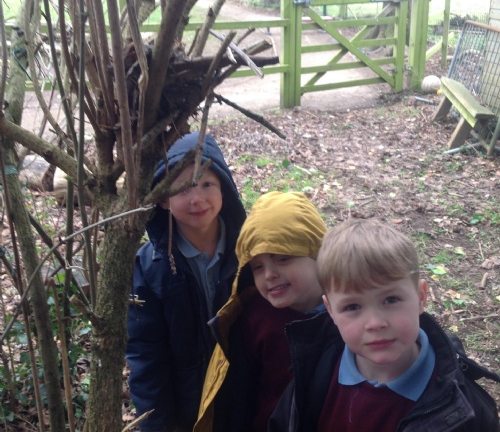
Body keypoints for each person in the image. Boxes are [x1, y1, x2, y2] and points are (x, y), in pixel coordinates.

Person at [269, 218, 500, 432]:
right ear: (331, 311)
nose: (375, 323)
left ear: (420, 297)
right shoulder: (313, 371)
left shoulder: (464, 409)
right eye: (352, 307)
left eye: (391, 300)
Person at [126, 131, 246, 432]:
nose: (197, 199)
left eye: (207, 184)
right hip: (185, 408)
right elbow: (147, 358)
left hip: (244, 399)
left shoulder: (248, 253)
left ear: (224, 188)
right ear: (163, 199)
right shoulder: (150, 267)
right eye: (183, 188)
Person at [195, 191, 327, 432]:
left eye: (283, 259)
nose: (269, 275)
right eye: (257, 267)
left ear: (318, 254)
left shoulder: (350, 313)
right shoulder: (256, 320)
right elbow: (239, 398)